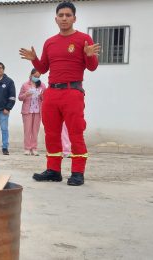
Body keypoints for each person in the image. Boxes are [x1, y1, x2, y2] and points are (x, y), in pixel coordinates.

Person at [19, 1, 100, 186]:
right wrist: (34, 60)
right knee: (51, 133)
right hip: (52, 94)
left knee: (75, 132)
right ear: (56, 19)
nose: (64, 18)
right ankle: (53, 170)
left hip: (73, 92)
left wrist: (89, 55)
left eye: (68, 15)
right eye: (61, 15)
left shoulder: (83, 39)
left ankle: (78, 172)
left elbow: (93, 67)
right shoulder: (50, 42)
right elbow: (43, 69)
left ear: (74, 18)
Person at [18, 68, 46, 156]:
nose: (36, 78)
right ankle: (27, 148)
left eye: (38, 76)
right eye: (35, 76)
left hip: (38, 111)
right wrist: (26, 94)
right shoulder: (25, 85)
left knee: (35, 130)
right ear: (31, 75)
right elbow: (20, 97)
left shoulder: (42, 85)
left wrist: (41, 95)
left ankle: (34, 148)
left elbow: (45, 98)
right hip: (27, 111)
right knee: (27, 130)